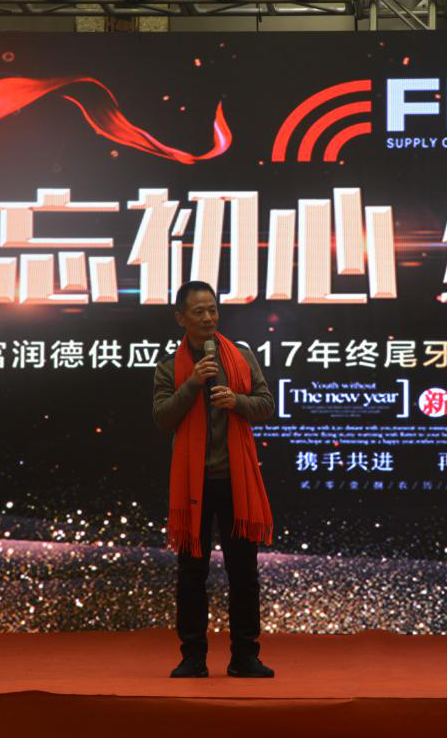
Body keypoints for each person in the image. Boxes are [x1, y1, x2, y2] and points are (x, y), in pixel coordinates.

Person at [152, 280, 275, 679]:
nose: (208, 318)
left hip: (236, 480)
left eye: (213, 310)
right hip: (194, 484)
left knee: (244, 573)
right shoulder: (169, 366)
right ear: (181, 318)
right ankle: (193, 657)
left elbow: (266, 405)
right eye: (199, 312)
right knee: (192, 573)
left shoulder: (241, 356)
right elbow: (163, 418)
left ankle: (245, 656)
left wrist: (237, 402)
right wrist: (193, 383)